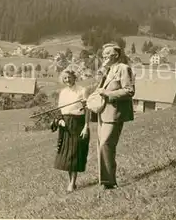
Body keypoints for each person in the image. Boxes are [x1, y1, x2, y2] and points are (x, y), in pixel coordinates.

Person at [93, 43, 135, 189]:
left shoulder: (124, 68)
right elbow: (99, 87)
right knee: (101, 146)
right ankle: (105, 181)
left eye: (107, 54)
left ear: (116, 55)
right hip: (103, 112)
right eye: (103, 54)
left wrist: (108, 94)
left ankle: (109, 182)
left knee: (106, 144)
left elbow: (129, 91)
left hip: (115, 113)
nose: (104, 56)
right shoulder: (108, 70)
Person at [52, 69, 90, 192]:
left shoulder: (82, 90)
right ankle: (71, 182)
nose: (67, 80)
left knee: (75, 153)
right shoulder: (62, 92)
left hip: (78, 123)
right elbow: (60, 109)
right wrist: (60, 120)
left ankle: (72, 183)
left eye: (69, 77)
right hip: (65, 125)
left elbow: (87, 110)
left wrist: (86, 126)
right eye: (65, 78)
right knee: (67, 155)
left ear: (74, 77)